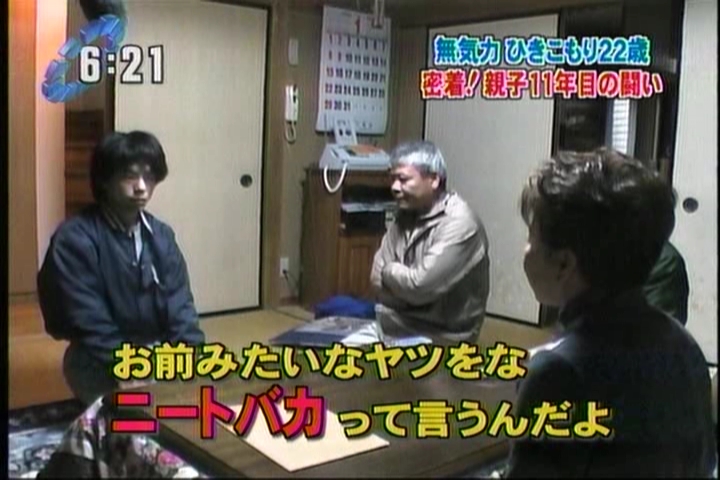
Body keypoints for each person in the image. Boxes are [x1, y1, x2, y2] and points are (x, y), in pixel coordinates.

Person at [506, 147, 715, 477]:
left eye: (531, 236)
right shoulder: (683, 344)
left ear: (564, 263)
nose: (526, 248)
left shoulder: (558, 373)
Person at [37, 130, 206, 405]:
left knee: (196, 399)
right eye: (130, 176)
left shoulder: (161, 235)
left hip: (156, 351)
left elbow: (180, 304)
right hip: (99, 356)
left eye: (149, 177)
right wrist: (128, 366)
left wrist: (193, 357)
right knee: (134, 414)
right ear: (105, 180)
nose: (141, 187)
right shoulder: (75, 238)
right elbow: (88, 319)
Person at [370, 140, 490, 346]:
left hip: (444, 336)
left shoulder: (460, 222)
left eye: (403, 179)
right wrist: (409, 292)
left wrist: (390, 271)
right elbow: (375, 278)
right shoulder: (406, 214)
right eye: (392, 179)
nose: (395, 187)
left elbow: (418, 287)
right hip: (395, 323)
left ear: (434, 179)